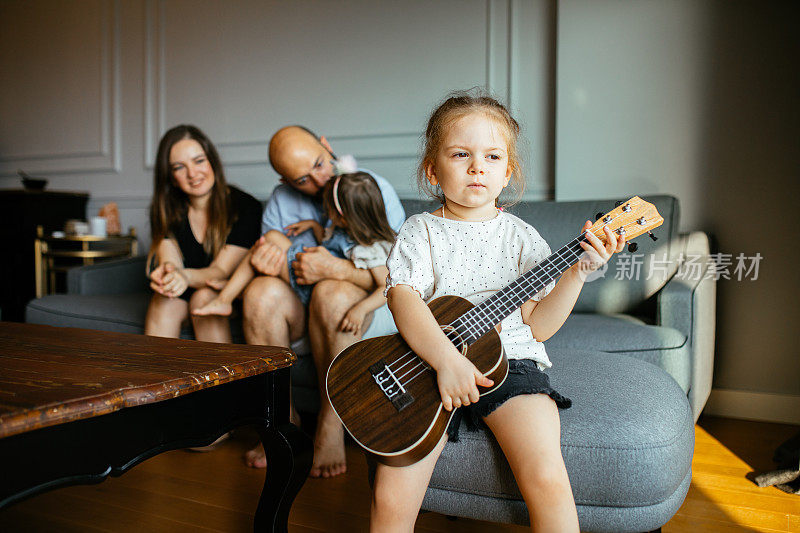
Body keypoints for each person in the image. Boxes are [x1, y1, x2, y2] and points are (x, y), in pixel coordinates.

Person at [371, 90, 626, 532]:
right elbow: (403, 298)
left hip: (512, 364)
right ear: (433, 169)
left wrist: (577, 274)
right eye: (460, 154)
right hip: (428, 364)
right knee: (390, 495)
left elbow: (539, 326)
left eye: (492, 157)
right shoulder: (422, 230)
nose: (476, 167)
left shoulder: (524, 239)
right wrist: (447, 361)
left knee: (546, 475)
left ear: (507, 172)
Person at [242, 126, 405, 476]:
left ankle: (332, 422)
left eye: (319, 164)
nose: (319, 181)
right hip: (303, 306)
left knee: (329, 291)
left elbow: (400, 279)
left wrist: (335, 269)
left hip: (361, 310)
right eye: (302, 180)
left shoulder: (367, 189)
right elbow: (276, 265)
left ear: (327, 145)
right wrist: (268, 262)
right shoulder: (281, 201)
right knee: (258, 293)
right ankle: (281, 418)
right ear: (285, 180)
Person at [194, 171, 396, 339]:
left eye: (328, 210)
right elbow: (325, 241)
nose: (326, 214)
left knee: (267, 243)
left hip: (312, 288)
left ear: (342, 217)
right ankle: (233, 287)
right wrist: (314, 225)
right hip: (312, 280)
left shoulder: (369, 248)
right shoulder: (343, 229)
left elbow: (386, 287)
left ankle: (227, 295)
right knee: (271, 239)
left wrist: (360, 309)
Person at [145, 124, 262, 343]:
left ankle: (225, 379)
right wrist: (167, 276)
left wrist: (184, 277)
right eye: (179, 167)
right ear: (170, 177)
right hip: (184, 291)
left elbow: (219, 271)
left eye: (199, 161)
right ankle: (155, 376)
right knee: (163, 299)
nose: (192, 174)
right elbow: (171, 264)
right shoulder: (165, 209)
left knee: (203, 297)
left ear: (212, 163)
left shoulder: (245, 206)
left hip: (228, 292)